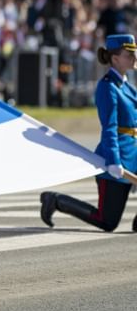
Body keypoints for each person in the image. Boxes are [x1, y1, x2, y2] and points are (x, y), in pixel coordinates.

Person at [41, 34, 137, 231]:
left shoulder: (127, 87)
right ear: (115, 58)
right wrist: (114, 161)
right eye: (129, 54)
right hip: (118, 160)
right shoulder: (108, 87)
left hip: (133, 156)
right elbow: (109, 127)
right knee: (107, 222)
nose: (134, 58)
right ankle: (56, 201)